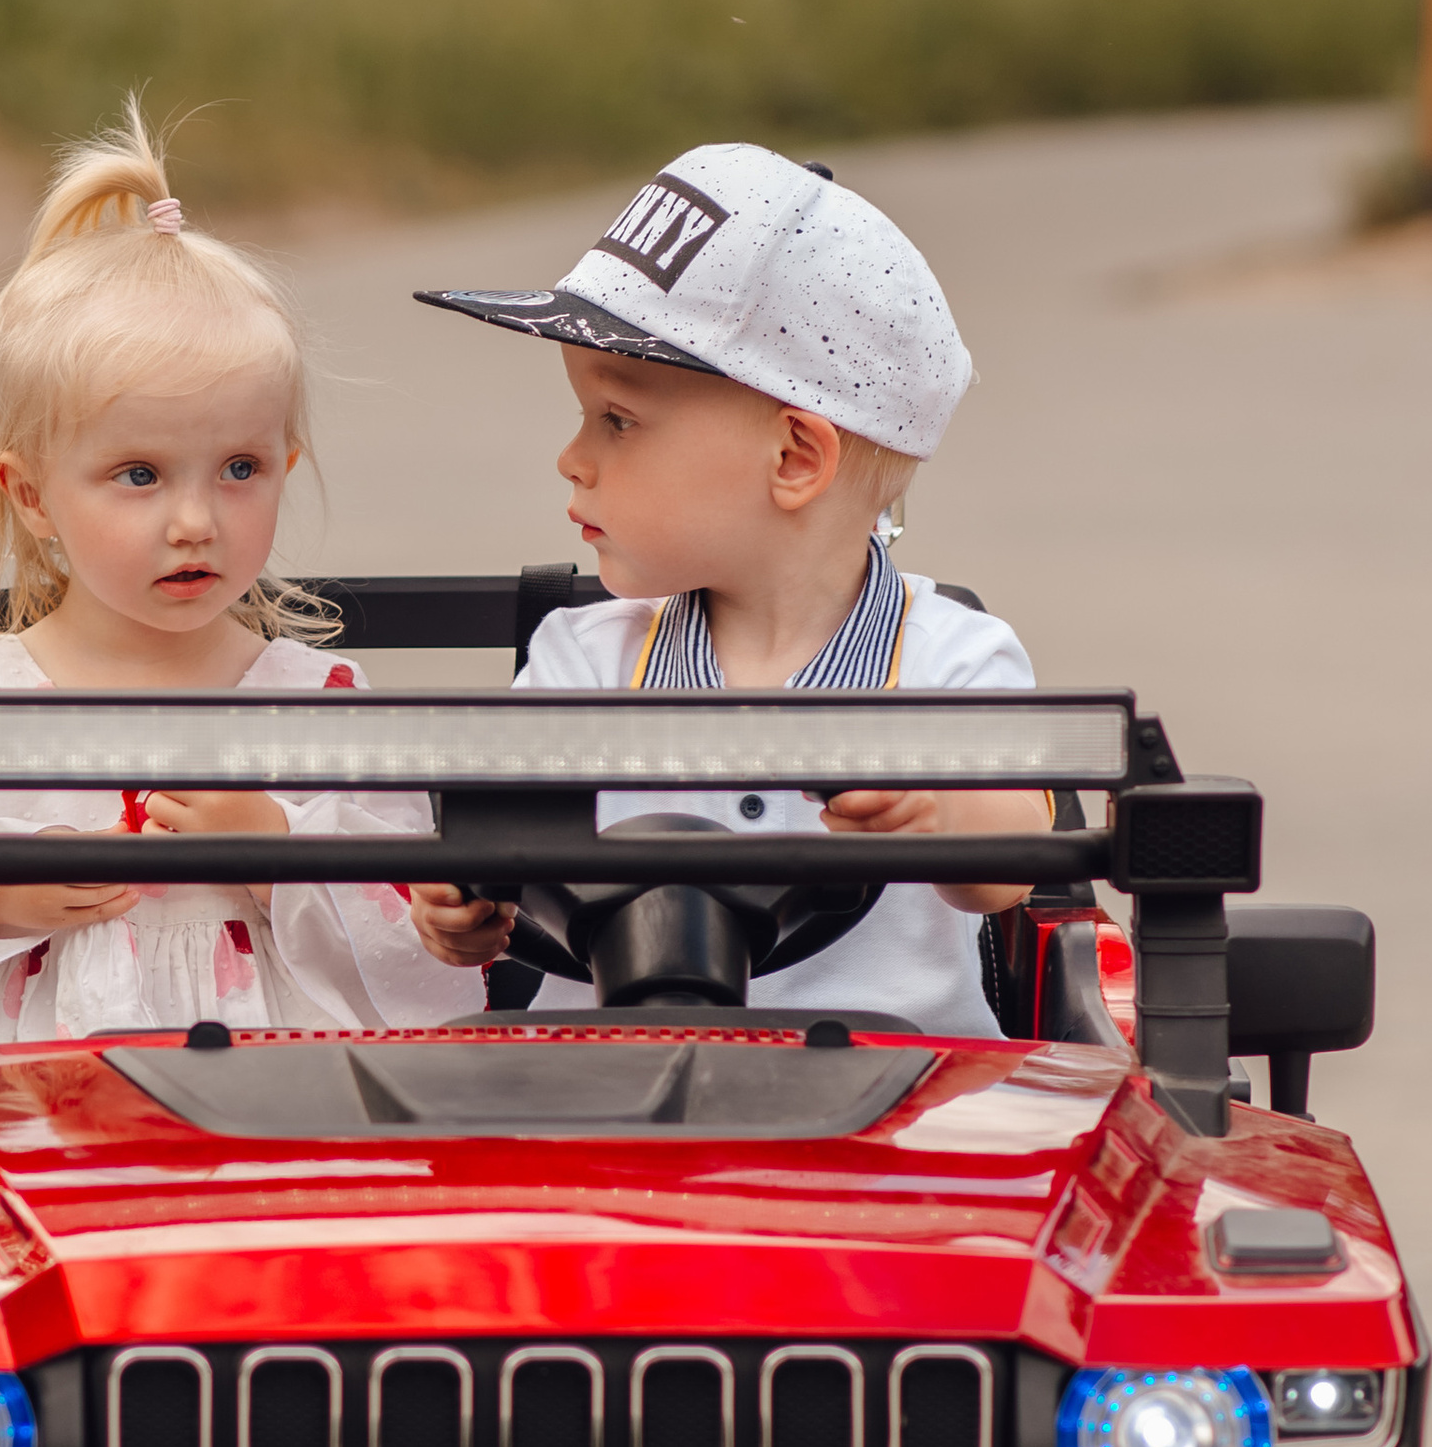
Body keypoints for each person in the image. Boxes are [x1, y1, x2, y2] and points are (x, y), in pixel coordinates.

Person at [0, 115, 479, 1042]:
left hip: (283, 1132)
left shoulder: (319, 703)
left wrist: (278, 854)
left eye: (240, 469)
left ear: (287, 466)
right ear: (32, 496)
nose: (195, 521)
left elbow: (427, 962)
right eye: (138, 476)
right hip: (34, 1128)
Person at [406, 143, 1044, 1036]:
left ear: (792, 459)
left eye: (618, 420)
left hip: (897, 1129)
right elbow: (490, 848)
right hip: (599, 1106)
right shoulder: (583, 662)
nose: (571, 457)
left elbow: (1013, 858)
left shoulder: (945, 660)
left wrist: (937, 809)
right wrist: (462, 910)